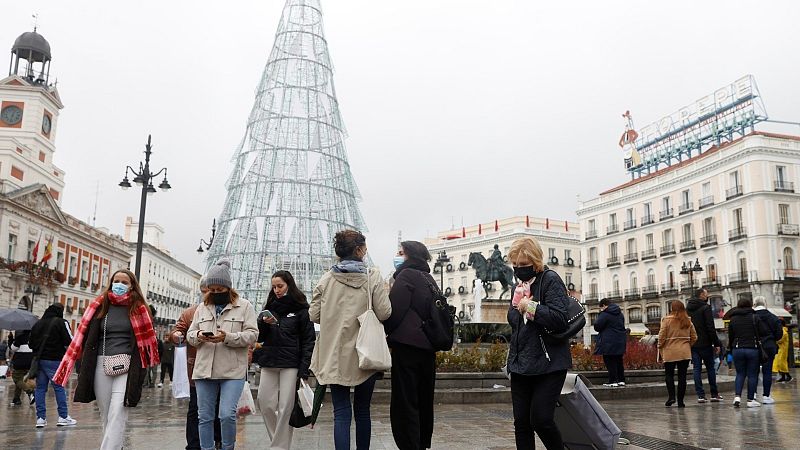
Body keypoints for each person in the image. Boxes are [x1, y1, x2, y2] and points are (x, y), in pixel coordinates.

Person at [53, 269, 161, 449]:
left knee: (118, 411)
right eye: (116, 281)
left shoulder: (139, 309)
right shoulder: (99, 305)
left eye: (124, 282)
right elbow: (84, 336)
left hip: (127, 365)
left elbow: (147, 342)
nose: (119, 285)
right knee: (106, 415)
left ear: (132, 286)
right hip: (100, 364)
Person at [310, 229, 392, 450]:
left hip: (335, 354)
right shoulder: (372, 276)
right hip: (366, 353)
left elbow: (314, 315)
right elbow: (384, 313)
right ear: (358, 250)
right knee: (363, 410)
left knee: (341, 412)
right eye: (364, 247)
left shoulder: (326, 279)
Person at [506, 237, 572, 450]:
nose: (519, 269)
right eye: (515, 264)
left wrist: (530, 306)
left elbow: (560, 318)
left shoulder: (550, 280)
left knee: (541, 419)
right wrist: (517, 307)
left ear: (535, 262)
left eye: (524, 264)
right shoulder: (518, 287)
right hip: (521, 363)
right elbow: (514, 321)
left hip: (549, 363)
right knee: (521, 423)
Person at [187, 259, 259, 450]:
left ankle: (228, 447)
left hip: (232, 370)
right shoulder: (202, 308)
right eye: (212, 290)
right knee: (204, 416)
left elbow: (253, 335)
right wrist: (199, 335)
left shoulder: (244, 306)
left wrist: (228, 337)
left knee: (227, 414)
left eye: (220, 289)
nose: (216, 293)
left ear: (228, 287)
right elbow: (190, 334)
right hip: (204, 370)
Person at [385, 240, 438, 450]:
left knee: (405, 400)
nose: (397, 256)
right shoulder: (428, 277)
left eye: (401, 253)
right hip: (428, 347)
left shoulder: (406, 276)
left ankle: (409, 443)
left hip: (407, 347)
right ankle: (421, 442)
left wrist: (385, 333)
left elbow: (393, 312)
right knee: (424, 398)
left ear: (410, 256)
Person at [256, 270, 315, 450]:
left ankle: (278, 447)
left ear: (289, 285)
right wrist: (263, 323)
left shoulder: (302, 309)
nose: (276, 290)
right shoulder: (270, 307)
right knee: (264, 402)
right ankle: (279, 442)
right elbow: (260, 337)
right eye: (274, 287)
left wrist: (304, 368)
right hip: (270, 360)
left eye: (280, 286)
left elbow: (309, 340)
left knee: (285, 407)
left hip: (291, 363)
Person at [172, 276, 222, 450]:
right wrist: (177, 335)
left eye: (214, 291)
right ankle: (194, 445)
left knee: (220, 409)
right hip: (197, 368)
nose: (209, 294)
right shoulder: (191, 313)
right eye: (206, 291)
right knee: (195, 408)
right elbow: (178, 329)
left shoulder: (229, 311)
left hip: (222, 368)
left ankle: (217, 440)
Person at [29, 303, 77, 428]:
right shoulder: (61, 322)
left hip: (40, 361)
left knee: (40, 389)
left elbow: (30, 344)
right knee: (59, 387)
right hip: (55, 360)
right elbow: (71, 341)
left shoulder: (37, 324)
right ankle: (63, 416)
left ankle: (40, 418)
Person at [726, 297, 772, 408]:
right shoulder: (754, 317)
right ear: (750, 305)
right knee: (752, 375)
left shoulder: (733, 319)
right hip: (752, 349)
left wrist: (730, 349)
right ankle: (750, 400)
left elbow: (731, 336)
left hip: (737, 349)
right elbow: (764, 331)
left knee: (740, 374)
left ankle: (737, 397)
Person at [657, 300, 697, 408]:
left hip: (670, 351)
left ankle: (671, 397)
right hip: (684, 352)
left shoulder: (666, 320)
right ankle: (680, 401)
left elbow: (662, 336)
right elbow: (694, 337)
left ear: (671, 308)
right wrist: (687, 345)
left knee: (669, 375)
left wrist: (660, 346)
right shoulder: (688, 320)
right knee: (682, 376)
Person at [686, 288, 723, 403]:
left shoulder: (688, 308)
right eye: (706, 294)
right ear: (701, 295)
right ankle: (714, 394)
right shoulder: (705, 308)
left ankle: (700, 396)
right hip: (705, 343)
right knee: (710, 368)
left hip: (693, 343)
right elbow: (710, 327)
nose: (708, 296)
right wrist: (716, 343)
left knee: (696, 369)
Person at [752, 296, 783, 404]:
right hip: (769, 346)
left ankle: (753, 395)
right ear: (765, 304)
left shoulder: (751, 317)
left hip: (754, 346)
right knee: (767, 371)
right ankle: (766, 396)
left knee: (753, 371)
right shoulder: (773, 317)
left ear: (754, 304)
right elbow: (779, 334)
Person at [593, 298, 627, 388]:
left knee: (609, 360)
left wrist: (600, 314)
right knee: (618, 361)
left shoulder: (605, 314)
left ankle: (613, 381)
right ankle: (621, 380)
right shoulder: (620, 314)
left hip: (608, 341)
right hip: (620, 340)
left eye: (601, 308)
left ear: (604, 305)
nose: (601, 309)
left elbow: (597, 326)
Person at [9, 329, 35, 406]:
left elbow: (13, 348)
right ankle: (16, 399)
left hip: (20, 362)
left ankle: (30, 392)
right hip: (29, 362)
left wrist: (10, 339)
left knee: (16, 379)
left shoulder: (20, 337)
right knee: (20, 380)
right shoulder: (33, 337)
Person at [144, 306, 163, 388]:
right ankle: (146, 383)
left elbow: (161, 350)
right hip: (148, 356)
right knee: (147, 371)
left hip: (154, 357)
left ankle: (151, 383)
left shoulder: (159, 342)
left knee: (153, 371)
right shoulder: (148, 323)